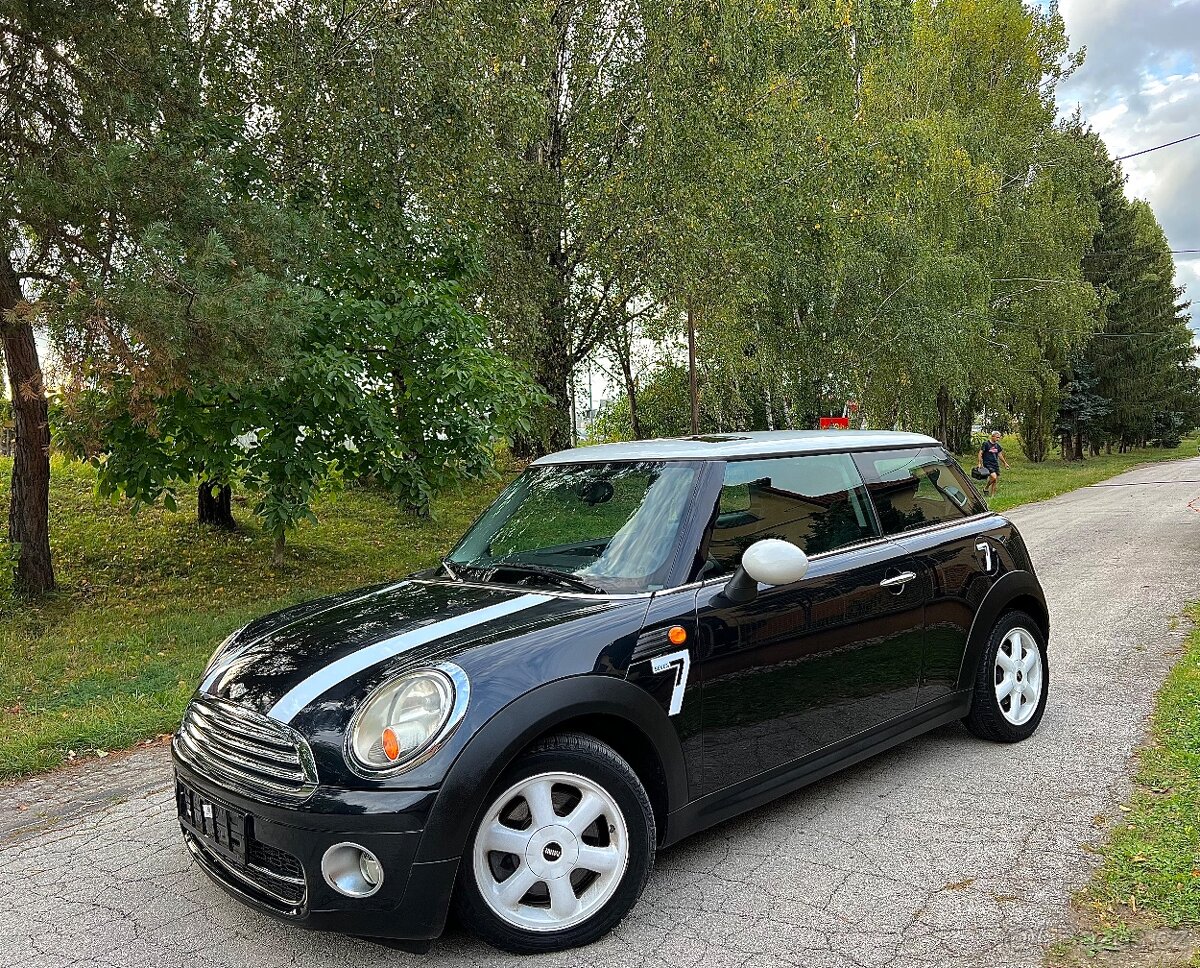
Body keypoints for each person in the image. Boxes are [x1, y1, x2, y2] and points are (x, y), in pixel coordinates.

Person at [978, 431, 1010, 497]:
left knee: (994, 481)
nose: (998, 439)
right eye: (997, 437)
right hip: (987, 463)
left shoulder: (997, 446)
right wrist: (979, 463)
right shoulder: (986, 444)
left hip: (995, 464)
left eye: (999, 438)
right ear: (992, 436)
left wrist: (1005, 463)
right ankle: (986, 488)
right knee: (994, 477)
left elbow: (1000, 455)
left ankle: (992, 496)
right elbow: (980, 453)